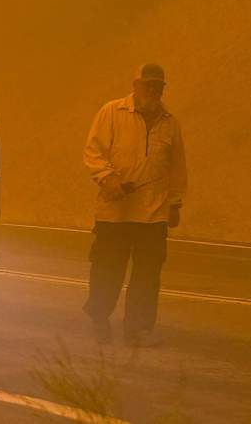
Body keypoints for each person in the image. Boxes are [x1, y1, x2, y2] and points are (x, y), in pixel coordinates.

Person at [82, 63, 187, 346]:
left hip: (153, 213)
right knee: (107, 268)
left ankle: (136, 328)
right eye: (148, 84)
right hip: (114, 211)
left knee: (148, 275)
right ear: (135, 85)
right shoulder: (112, 112)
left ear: (163, 88)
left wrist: (175, 204)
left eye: (158, 85)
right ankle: (100, 318)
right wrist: (107, 178)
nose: (153, 89)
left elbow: (177, 167)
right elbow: (94, 151)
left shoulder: (170, 122)